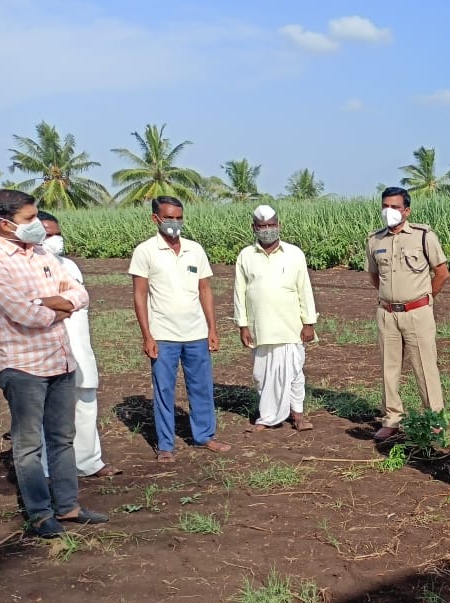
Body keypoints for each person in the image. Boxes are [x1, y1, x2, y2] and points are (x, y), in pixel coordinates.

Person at [0, 189, 108, 539]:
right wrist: (57, 304)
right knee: (29, 445)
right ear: (5, 223)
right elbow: (25, 314)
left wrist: (51, 300)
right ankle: (39, 514)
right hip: (23, 367)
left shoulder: (42, 253)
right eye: (28, 219)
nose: (36, 225)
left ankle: (68, 507)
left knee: (62, 438)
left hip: (61, 360)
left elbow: (81, 293)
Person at [128, 196, 231, 463]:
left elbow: (205, 290)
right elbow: (139, 296)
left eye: (178, 217)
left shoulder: (194, 249)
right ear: (156, 219)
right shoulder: (146, 251)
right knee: (164, 391)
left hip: (196, 332)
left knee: (201, 387)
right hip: (163, 335)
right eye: (169, 218)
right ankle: (165, 445)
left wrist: (212, 328)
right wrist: (147, 335)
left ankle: (205, 435)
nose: (175, 223)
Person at [38, 212, 122, 478]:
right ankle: (47, 469)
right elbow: (37, 305)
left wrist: (58, 302)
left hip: (80, 349)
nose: (55, 240)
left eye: (56, 233)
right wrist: (64, 302)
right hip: (47, 352)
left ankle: (88, 462)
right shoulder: (27, 270)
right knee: (49, 412)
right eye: (48, 235)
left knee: (86, 404)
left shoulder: (70, 267)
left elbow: (79, 300)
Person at [366, 186, 449, 441]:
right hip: (387, 314)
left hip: (417, 312)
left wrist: (425, 300)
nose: (389, 212)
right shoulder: (374, 240)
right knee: (388, 369)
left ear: (407, 210)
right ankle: (392, 418)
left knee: (424, 367)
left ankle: (433, 419)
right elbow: (374, 275)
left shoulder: (424, 236)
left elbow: (442, 272)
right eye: (385, 206)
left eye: (395, 207)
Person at [233, 205, 318, 431]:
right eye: (262, 226)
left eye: (271, 225)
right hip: (260, 327)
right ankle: (267, 415)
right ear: (254, 228)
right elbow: (239, 294)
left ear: (279, 225)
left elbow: (304, 289)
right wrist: (242, 325)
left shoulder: (294, 253)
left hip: (290, 326)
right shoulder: (246, 256)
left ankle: (298, 415)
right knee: (262, 374)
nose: (267, 230)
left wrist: (309, 323)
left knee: (294, 373)